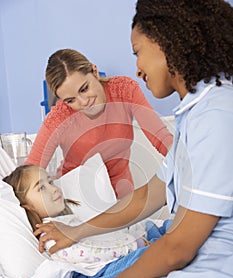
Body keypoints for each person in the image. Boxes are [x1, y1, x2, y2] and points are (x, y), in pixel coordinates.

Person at [32, 1, 233, 278]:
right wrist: (73, 231)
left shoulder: (215, 116)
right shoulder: (196, 114)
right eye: (70, 99)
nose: (137, 66)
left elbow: (178, 248)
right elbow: (146, 195)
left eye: (138, 52)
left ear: (169, 43)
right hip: (190, 270)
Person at [25, 49, 173, 199]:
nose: (83, 102)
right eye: (71, 100)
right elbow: (29, 174)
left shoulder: (124, 91)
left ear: (95, 72)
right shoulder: (59, 118)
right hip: (78, 200)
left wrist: (189, 163)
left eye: (84, 89)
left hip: (123, 197)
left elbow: (161, 138)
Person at [3, 164, 150, 272]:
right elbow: (88, 253)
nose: (54, 188)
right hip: (127, 254)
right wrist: (134, 246)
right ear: (27, 206)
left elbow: (103, 236)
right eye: (41, 188)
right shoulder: (49, 235)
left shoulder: (67, 220)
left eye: (50, 182)